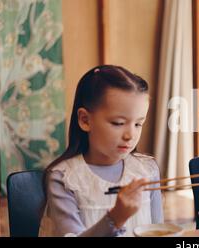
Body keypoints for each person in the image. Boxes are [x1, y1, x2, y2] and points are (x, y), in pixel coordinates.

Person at [43, 65, 163, 236]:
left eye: (138, 124)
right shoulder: (64, 178)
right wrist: (115, 218)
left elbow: (159, 230)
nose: (131, 135)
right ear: (85, 120)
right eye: (118, 123)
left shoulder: (147, 170)